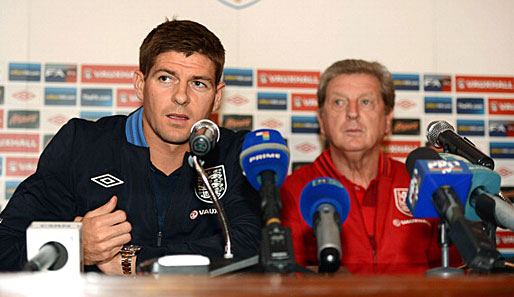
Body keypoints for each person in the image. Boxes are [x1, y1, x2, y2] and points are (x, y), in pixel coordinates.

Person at [0, 20, 260, 275]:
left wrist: (134, 263)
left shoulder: (238, 153)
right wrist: (74, 246)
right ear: (140, 84)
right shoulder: (81, 144)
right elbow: (6, 246)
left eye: (198, 83)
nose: (181, 97)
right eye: (166, 78)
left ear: (217, 97)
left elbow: (258, 248)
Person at [280, 59, 461, 274]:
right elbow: (289, 282)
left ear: (387, 119)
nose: (353, 113)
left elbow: (453, 275)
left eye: (366, 102)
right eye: (339, 102)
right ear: (321, 120)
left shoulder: (422, 182)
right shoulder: (294, 191)